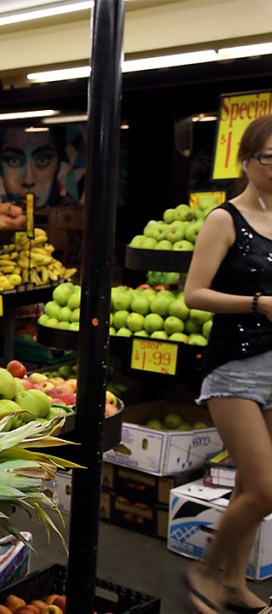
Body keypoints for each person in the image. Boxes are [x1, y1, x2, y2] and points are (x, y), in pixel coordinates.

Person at [183, 114, 272, 614]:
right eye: (269, 158)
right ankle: (204, 569)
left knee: (246, 486)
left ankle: (234, 584)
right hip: (235, 367)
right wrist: (258, 303)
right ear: (246, 160)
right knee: (265, 489)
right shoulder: (225, 219)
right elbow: (194, 294)